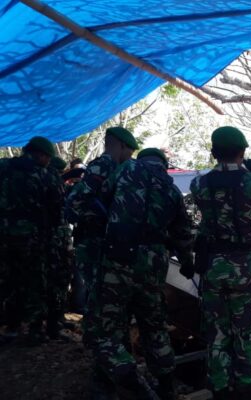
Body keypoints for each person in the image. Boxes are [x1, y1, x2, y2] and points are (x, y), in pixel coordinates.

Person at [89, 148, 194, 399]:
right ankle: (166, 385)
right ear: (163, 165)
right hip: (153, 263)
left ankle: (121, 380)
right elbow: (183, 234)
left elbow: (100, 198)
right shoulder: (171, 189)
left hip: (118, 257)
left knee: (108, 325)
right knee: (154, 324)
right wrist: (187, 263)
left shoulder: (126, 169)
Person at [190, 126, 251, 399]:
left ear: (214, 152)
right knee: (248, 331)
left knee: (217, 332)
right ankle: (247, 389)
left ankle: (220, 389)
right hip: (245, 266)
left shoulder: (199, 184)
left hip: (213, 265)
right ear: (242, 152)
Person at [65, 126, 137, 324]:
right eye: (130, 151)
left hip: (104, 239)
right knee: (97, 291)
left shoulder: (115, 167)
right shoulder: (103, 165)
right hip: (94, 238)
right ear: (121, 146)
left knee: (104, 292)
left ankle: (97, 329)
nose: (130, 156)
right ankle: (94, 331)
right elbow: (78, 200)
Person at [0, 136, 62, 345]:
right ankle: (35, 329)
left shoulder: (4, 167)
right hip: (33, 238)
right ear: (41, 155)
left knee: (9, 280)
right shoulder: (45, 175)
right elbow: (56, 208)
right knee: (35, 282)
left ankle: (12, 326)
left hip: (4, 236)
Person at [45, 156, 74, 340]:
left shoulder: (57, 186)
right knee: (55, 282)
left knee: (61, 280)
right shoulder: (49, 187)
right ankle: (53, 325)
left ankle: (58, 318)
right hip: (53, 243)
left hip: (60, 240)